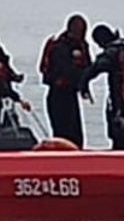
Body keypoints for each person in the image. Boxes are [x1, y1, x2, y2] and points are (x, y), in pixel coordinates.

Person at [38, 14, 93, 147]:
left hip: (71, 94)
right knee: (62, 133)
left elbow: (88, 67)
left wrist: (84, 86)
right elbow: (64, 71)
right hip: (58, 94)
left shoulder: (82, 45)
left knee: (77, 136)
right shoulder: (58, 46)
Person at [84, 23, 124, 149]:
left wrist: (84, 84)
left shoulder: (112, 52)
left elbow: (97, 67)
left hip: (120, 99)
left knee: (119, 133)